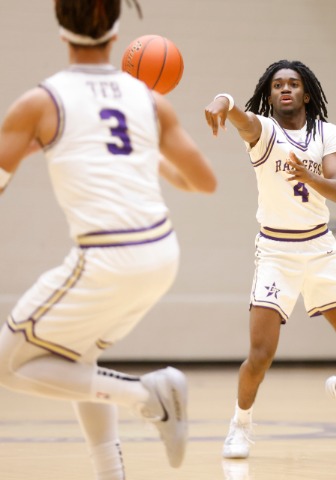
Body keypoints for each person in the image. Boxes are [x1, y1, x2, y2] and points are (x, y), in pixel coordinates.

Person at [0, 1, 218, 479]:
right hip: (161, 255)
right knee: (78, 356)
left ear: (61, 29)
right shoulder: (151, 101)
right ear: (118, 31)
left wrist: (29, 151)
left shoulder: (39, 103)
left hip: (108, 257)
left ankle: (146, 394)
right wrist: (147, 155)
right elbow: (203, 182)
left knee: (7, 366)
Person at [203, 59, 336, 460]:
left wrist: (309, 177)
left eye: (293, 84)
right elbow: (240, 118)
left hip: (320, 249)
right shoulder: (265, 132)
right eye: (278, 84)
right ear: (269, 94)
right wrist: (222, 101)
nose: (285, 89)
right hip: (276, 253)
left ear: (306, 94)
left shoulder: (326, 133)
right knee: (260, 355)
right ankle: (240, 425)